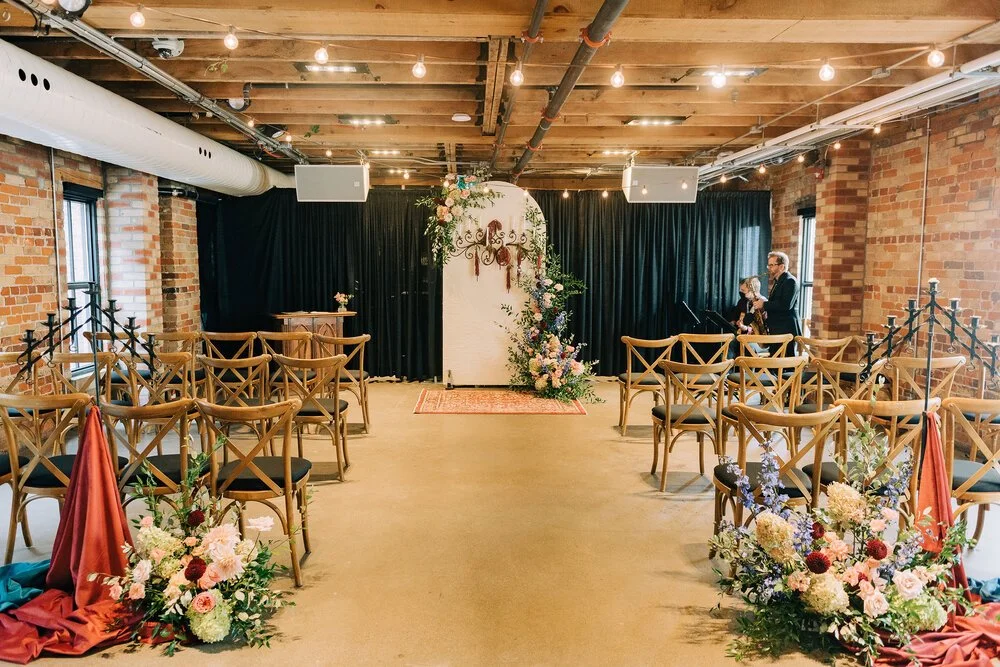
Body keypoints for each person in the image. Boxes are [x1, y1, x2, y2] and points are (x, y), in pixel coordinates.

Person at [753, 251, 801, 355]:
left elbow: (785, 305)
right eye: (768, 265)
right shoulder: (778, 281)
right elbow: (777, 302)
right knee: (775, 361)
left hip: (785, 329)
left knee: (784, 363)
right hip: (777, 328)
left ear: (781, 266)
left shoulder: (790, 281)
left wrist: (764, 304)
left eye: (771, 265)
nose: (769, 268)